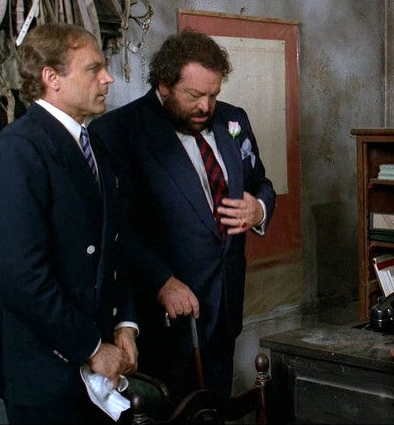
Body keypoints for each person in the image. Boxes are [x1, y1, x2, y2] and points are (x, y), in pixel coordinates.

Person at [90, 30, 276, 402]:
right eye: (193, 95)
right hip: (162, 317)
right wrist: (161, 280)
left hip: (225, 307)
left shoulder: (233, 120)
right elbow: (114, 227)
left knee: (215, 406)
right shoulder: (117, 132)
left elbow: (261, 182)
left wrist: (259, 209)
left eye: (213, 94)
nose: (206, 106)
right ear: (164, 84)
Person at [0, 23, 137, 423]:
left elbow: (113, 245)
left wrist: (125, 323)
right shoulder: (17, 150)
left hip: (101, 364)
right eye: (93, 69)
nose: (108, 78)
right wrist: (91, 347)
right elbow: (21, 277)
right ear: (51, 78)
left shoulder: (95, 145)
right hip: (49, 373)